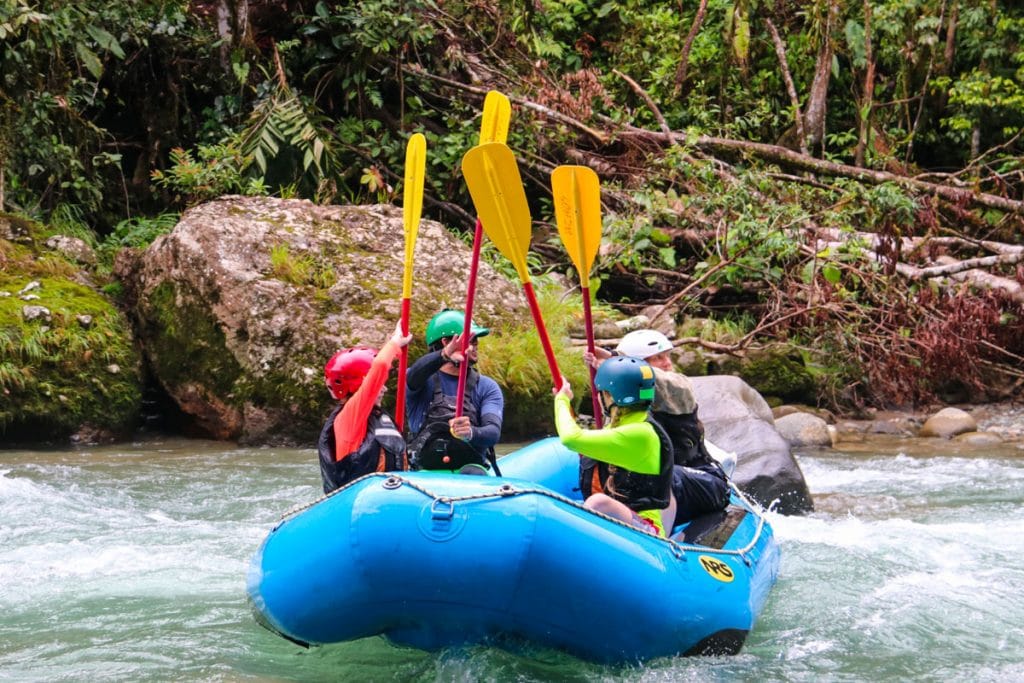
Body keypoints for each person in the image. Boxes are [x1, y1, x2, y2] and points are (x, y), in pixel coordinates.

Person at [584, 329, 730, 528]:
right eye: (658, 358)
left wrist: (615, 359)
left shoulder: (680, 393)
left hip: (703, 483)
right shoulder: (619, 407)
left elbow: (664, 382)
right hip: (651, 494)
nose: (667, 362)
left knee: (662, 474)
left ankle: (660, 540)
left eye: (667, 356)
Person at [553, 356, 676, 537]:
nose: (598, 396)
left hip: (648, 530)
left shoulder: (641, 434)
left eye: (602, 392)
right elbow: (583, 443)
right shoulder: (626, 426)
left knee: (598, 503)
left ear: (611, 396)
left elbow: (571, 438)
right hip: (625, 520)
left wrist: (561, 401)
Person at [317, 320, 412, 494]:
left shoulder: (376, 417)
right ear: (359, 386)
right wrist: (395, 342)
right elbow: (381, 366)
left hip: (390, 499)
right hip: (360, 503)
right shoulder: (350, 416)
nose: (384, 388)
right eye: (379, 384)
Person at [405, 308, 504, 474]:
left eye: (476, 341)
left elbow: (493, 432)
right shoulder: (420, 380)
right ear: (445, 342)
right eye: (470, 341)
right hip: (424, 474)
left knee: (474, 472)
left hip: (471, 471)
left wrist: (470, 432)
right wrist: (444, 355)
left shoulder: (487, 387)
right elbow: (413, 374)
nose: (475, 346)